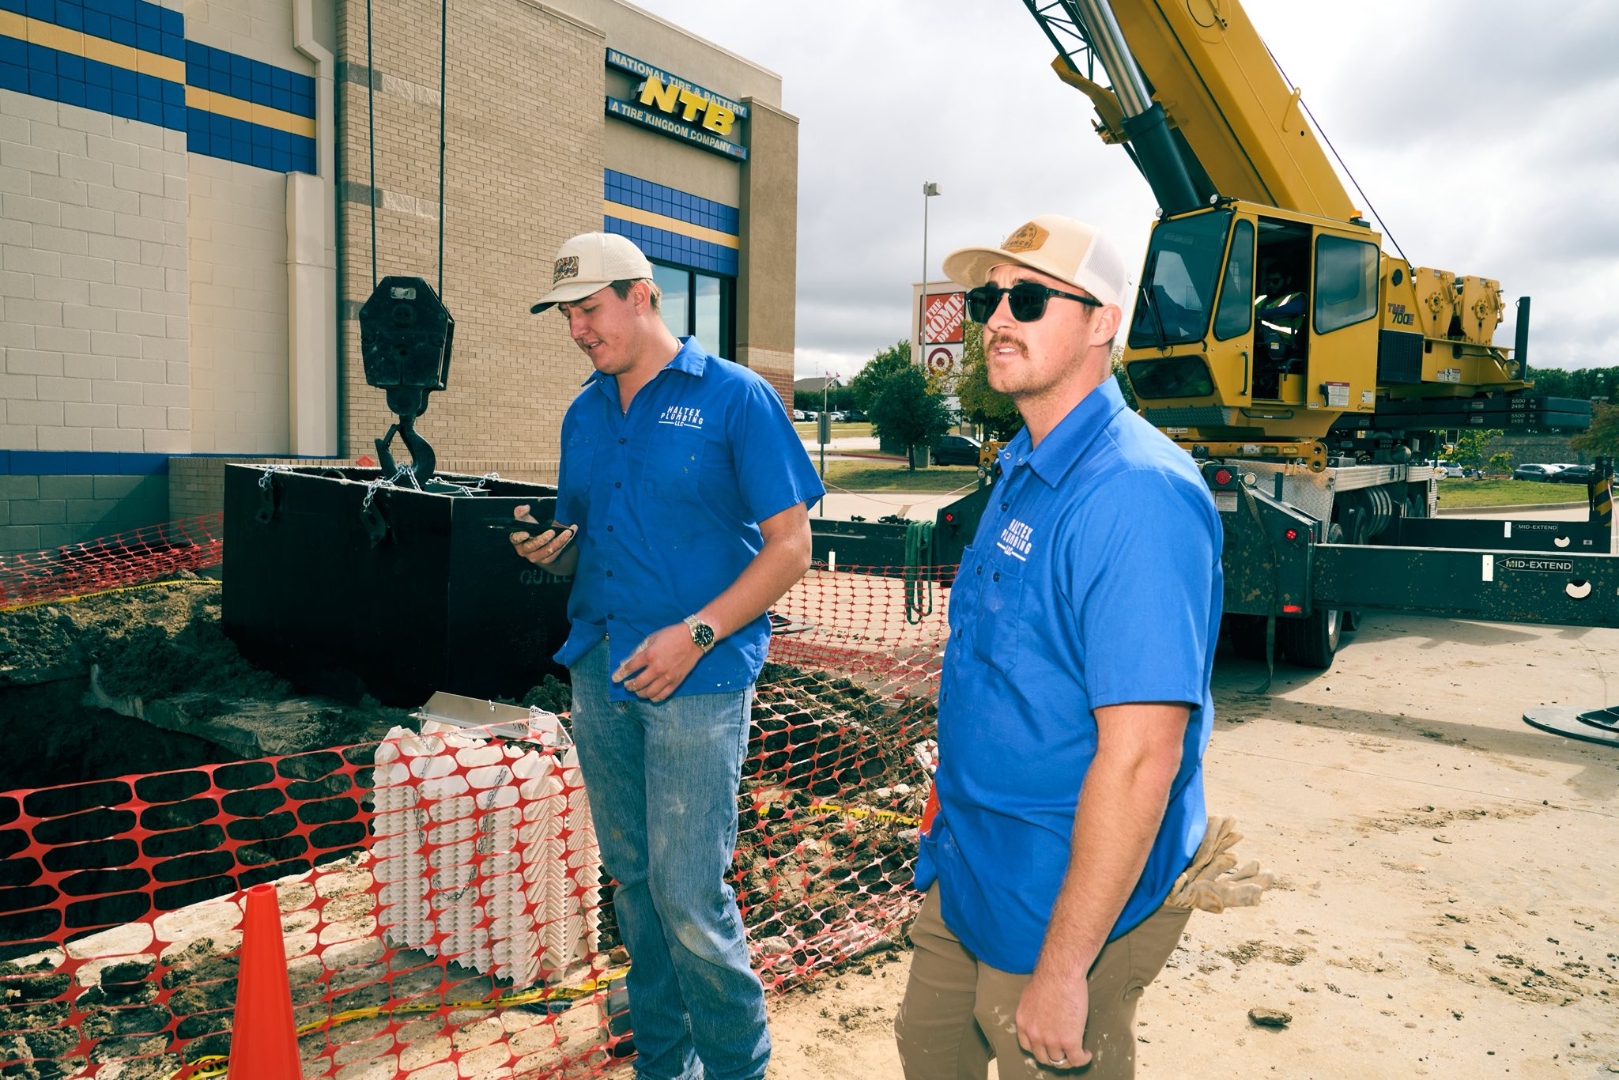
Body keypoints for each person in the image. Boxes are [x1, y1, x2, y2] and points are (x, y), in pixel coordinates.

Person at [894, 216, 1224, 1080]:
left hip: (1059, 893)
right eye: (985, 299)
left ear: (1103, 321)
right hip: (971, 863)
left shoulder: (1134, 495)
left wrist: (1064, 969)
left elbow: (1141, 757)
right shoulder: (1023, 464)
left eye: (1029, 298)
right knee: (928, 1051)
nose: (997, 318)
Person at [514, 231, 824, 1080]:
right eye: (565, 316)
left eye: (587, 309)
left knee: (688, 895)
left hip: (698, 679)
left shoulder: (734, 398)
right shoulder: (584, 412)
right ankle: (663, 1063)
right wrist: (555, 551)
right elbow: (589, 537)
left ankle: (737, 1068)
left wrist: (696, 633)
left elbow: (791, 547)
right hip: (599, 669)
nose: (577, 329)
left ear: (641, 295)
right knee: (633, 888)